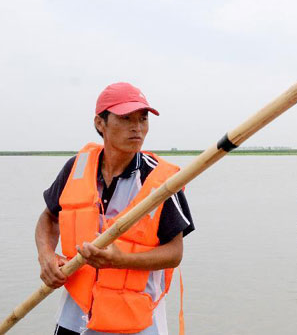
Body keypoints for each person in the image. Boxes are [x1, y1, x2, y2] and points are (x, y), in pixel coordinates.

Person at [36, 82, 194, 335]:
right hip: (75, 314)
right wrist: (46, 256)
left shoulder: (161, 181)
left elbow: (175, 253)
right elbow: (48, 217)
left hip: (138, 319)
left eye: (143, 119)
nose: (137, 128)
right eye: (125, 118)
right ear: (100, 123)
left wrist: (121, 261)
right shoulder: (76, 167)